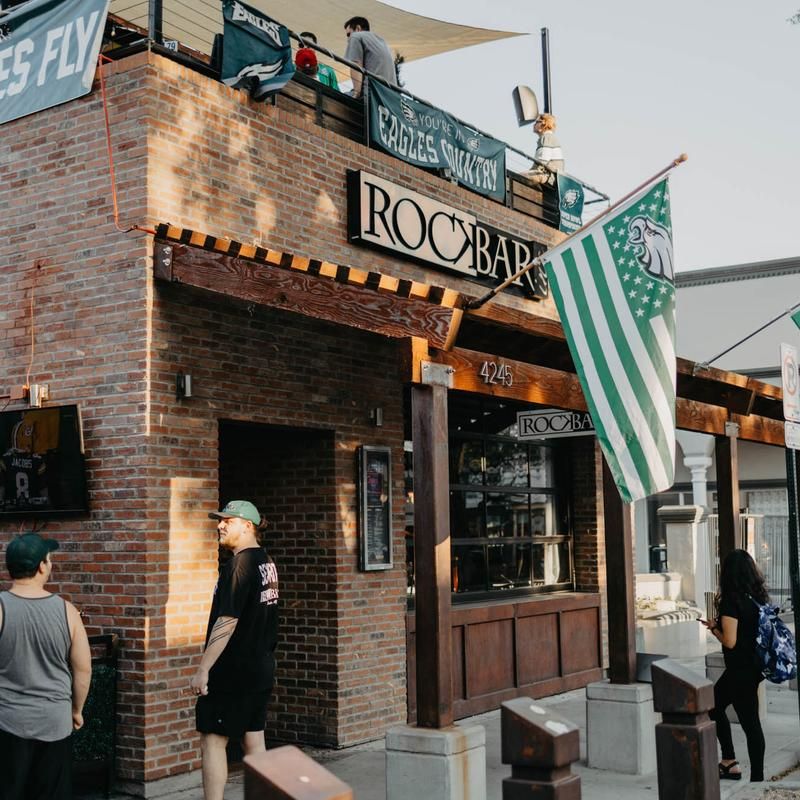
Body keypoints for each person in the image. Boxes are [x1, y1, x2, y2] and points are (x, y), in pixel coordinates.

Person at [191, 500, 279, 800]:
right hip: (260, 666)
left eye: (227, 520)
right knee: (253, 741)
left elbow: (227, 621)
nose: (220, 525)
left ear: (247, 526)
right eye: (220, 520)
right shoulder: (265, 561)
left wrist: (204, 669)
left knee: (213, 740)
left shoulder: (239, 565)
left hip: (233, 670)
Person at [0, 533, 92, 800]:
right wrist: (76, 710)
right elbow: (83, 670)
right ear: (42, 566)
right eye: (49, 559)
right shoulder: (68, 612)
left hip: (8, 722)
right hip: (55, 721)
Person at [700, 548, 767, 782]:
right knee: (718, 708)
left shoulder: (732, 601)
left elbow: (730, 640)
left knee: (746, 721)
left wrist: (714, 629)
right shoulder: (757, 598)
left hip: (739, 671)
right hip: (752, 668)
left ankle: (753, 778)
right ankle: (730, 763)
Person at [343, 16, 397, 98]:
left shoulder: (356, 36)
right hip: (391, 96)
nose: (348, 38)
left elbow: (356, 65)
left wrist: (356, 93)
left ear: (358, 28)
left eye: (348, 34)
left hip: (372, 93)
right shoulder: (382, 41)